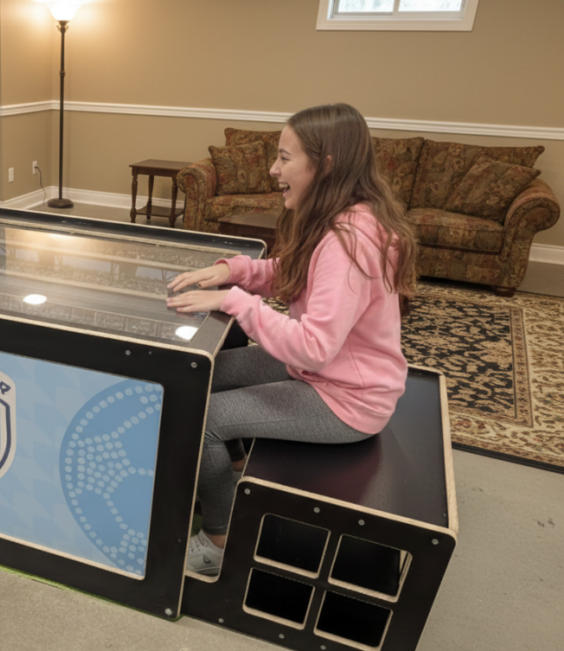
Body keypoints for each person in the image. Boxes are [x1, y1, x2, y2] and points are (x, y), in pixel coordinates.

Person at [165, 103, 418, 577]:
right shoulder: (341, 218)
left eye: (284, 158)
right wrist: (233, 271)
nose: (272, 169)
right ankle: (232, 473)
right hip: (327, 372)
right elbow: (292, 273)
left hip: (346, 397)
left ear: (325, 166)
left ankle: (218, 542)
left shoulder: (350, 241)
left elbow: (310, 346)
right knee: (207, 374)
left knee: (205, 419)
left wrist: (233, 302)